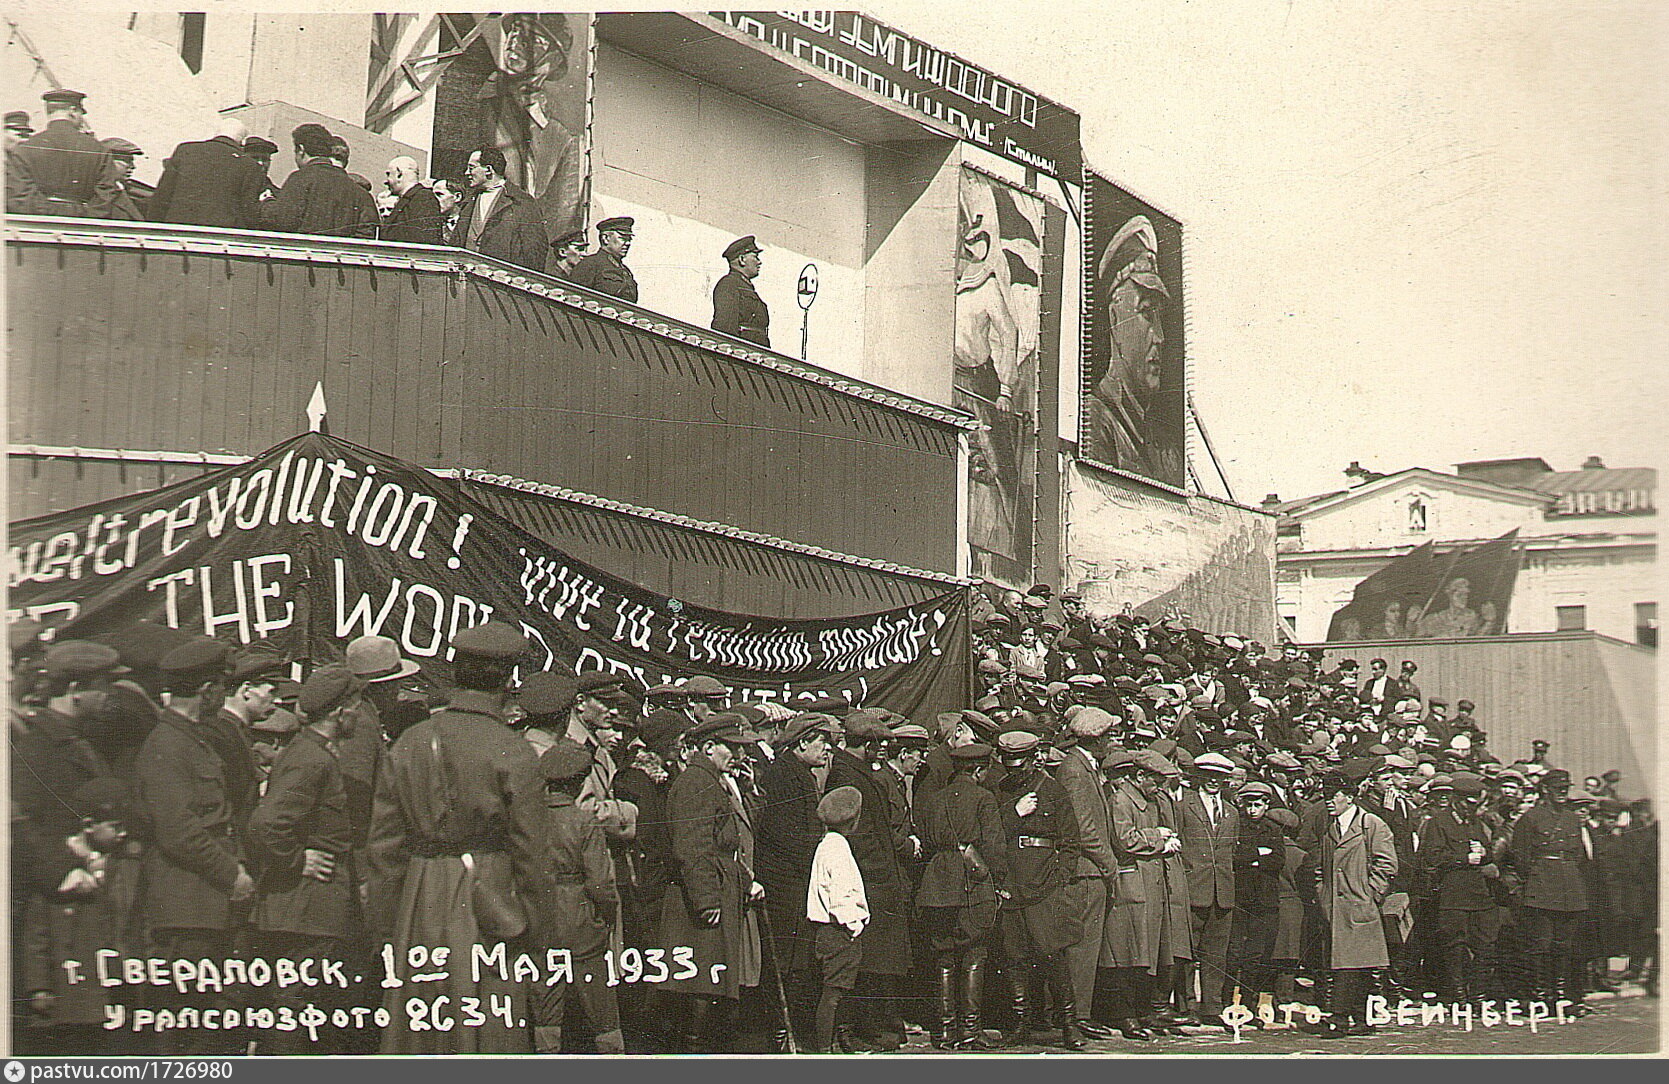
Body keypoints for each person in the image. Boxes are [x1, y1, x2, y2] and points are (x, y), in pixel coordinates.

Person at [365, 621, 558, 1054]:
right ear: (509, 680)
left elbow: (383, 850)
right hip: (490, 899)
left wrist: (385, 932)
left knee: (422, 1029)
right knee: (488, 1027)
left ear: (455, 672)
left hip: (419, 900)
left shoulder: (410, 742)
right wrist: (539, 939)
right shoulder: (512, 749)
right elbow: (531, 857)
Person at [132, 637, 254, 1055]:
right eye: (223, 686)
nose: (225, 694)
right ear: (208, 690)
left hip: (204, 905)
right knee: (187, 1025)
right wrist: (232, 875)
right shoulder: (168, 745)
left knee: (207, 1021)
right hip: (186, 909)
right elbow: (179, 831)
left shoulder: (191, 739)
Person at [247, 665, 359, 1054]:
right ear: (341, 711)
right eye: (356, 706)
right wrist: (296, 861)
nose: (358, 715)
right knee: (295, 1003)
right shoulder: (312, 759)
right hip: (305, 908)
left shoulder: (308, 751)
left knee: (296, 1003)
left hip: (303, 907)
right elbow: (266, 825)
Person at [659, 714, 763, 1052]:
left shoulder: (709, 780)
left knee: (711, 984)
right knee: (702, 985)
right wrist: (707, 901)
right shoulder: (696, 783)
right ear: (708, 747)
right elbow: (691, 847)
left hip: (718, 889)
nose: (739, 755)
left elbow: (721, 847)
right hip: (701, 903)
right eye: (731, 748)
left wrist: (744, 881)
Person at [988, 730, 1083, 1049]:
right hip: (1011, 883)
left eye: (1020, 764)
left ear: (1033, 759)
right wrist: (1014, 813)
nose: (1014, 770)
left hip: (1045, 885)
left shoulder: (1053, 791)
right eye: (1009, 764)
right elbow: (989, 832)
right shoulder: (998, 790)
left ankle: (1069, 1025)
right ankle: (1020, 1023)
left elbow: (1071, 842)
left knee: (1053, 954)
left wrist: (1061, 877)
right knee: (1014, 957)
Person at [531, 739, 625, 1054]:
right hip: (583, 924)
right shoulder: (583, 822)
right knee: (602, 1012)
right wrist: (606, 918)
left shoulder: (529, 821)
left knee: (546, 1010)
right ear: (579, 781)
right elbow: (600, 882)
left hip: (541, 921)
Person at [915, 742, 1006, 1049]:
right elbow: (994, 847)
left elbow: (927, 841)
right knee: (974, 954)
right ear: (978, 770)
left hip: (936, 882)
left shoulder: (934, 798)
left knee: (943, 955)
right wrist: (998, 880)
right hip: (971, 880)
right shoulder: (984, 798)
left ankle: (943, 1032)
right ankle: (969, 1030)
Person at [755, 712, 837, 1048]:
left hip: (794, 883)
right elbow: (784, 833)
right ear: (803, 742)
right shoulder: (786, 776)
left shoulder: (797, 771)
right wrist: (819, 857)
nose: (828, 749)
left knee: (796, 963)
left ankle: (787, 1032)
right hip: (785, 887)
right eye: (822, 742)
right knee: (787, 964)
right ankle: (779, 1034)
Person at [1306, 769, 1397, 1038]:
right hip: (1335, 908)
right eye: (1325, 796)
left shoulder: (1371, 824)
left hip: (1360, 907)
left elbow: (1387, 865)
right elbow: (1321, 869)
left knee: (1352, 965)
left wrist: (1371, 895)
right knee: (1352, 964)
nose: (1328, 801)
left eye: (1333, 796)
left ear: (1349, 797)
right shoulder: (1331, 829)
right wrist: (1324, 896)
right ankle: (1360, 1019)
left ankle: (1339, 1019)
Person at [1506, 768, 1593, 1010]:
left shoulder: (1572, 818)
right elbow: (1520, 857)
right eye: (1558, 788)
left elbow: (1579, 855)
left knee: (1564, 945)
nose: (1563, 792)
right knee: (1540, 945)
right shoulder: (1531, 818)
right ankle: (1540, 996)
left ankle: (1561, 994)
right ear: (1545, 789)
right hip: (1542, 886)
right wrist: (1535, 881)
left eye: (1566, 788)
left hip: (1570, 887)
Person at [1412, 772, 1500, 1001]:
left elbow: (1488, 854)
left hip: (1478, 893)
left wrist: (1483, 853)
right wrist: (1463, 858)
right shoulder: (1438, 823)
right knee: (1454, 946)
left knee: (1486, 945)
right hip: (1452, 893)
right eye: (1466, 804)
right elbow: (1432, 856)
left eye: (1474, 805)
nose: (1470, 809)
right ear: (1455, 800)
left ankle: (1478, 994)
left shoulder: (1476, 823)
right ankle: (1458, 994)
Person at [807, 785, 869, 1053]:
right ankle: (824, 1049)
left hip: (827, 930)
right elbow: (840, 894)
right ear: (853, 821)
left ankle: (830, 1045)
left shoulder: (826, 845)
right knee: (833, 994)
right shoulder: (838, 850)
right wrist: (852, 925)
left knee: (835, 992)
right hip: (839, 930)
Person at [1178, 752, 1239, 1020]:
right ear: (1200, 776)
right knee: (1187, 952)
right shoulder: (1183, 807)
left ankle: (1212, 1007)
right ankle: (1187, 1006)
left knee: (1217, 954)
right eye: (1210, 776)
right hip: (1193, 888)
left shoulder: (1232, 812)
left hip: (1222, 892)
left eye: (1220, 777)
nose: (1214, 781)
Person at [263, 123, 380, 240]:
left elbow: (281, 221)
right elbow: (367, 234)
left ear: (301, 150)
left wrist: (267, 202)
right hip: (340, 256)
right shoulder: (360, 193)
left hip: (303, 255)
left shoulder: (300, 178)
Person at [148, 119, 267, 229]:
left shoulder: (185, 150)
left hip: (178, 233)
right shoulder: (249, 165)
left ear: (217, 133)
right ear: (242, 141)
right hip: (220, 238)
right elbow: (249, 212)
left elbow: (162, 197)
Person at [6, 89, 108, 216]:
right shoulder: (98, 149)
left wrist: (49, 213)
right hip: (84, 226)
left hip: (38, 226)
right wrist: (85, 215)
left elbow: (19, 194)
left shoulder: (24, 149)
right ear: (73, 111)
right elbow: (108, 192)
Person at [450, 145, 547, 273]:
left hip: (502, 285)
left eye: (471, 168)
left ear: (489, 170)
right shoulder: (468, 202)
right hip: (467, 281)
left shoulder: (521, 202)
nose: (466, 173)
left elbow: (534, 251)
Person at [711, 235, 770, 347]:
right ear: (742, 259)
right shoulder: (729, 284)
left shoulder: (746, 287)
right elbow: (725, 328)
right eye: (755, 257)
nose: (759, 262)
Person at [569, 216, 638, 301]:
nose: (627, 243)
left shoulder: (626, 272)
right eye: (623, 238)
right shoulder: (590, 264)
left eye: (629, 239)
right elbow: (573, 299)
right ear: (606, 238)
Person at [380, 155, 444, 244]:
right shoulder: (410, 199)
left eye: (388, 174)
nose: (386, 181)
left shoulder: (423, 198)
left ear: (399, 174)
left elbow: (425, 241)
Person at [87, 137, 144, 220]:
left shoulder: (126, 190)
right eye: (127, 160)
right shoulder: (94, 193)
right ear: (107, 160)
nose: (133, 167)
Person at [242, 136, 279, 201]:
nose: (260, 163)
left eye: (265, 159)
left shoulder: (275, 192)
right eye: (255, 158)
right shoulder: (232, 188)